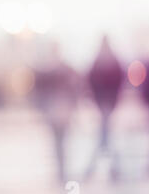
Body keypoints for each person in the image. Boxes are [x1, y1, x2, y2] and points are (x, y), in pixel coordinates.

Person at [34, 45, 79, 183]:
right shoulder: (61, 69)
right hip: (58, 110)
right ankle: (62, 170)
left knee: (59, 141)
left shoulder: (47, 70)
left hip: (57, 110)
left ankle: (61, 170)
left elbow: (39, 92)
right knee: (60, 142)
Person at [84, 36, 123, 181]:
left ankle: (92, 169)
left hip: (104, 102)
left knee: (104, 137)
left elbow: (91, 81)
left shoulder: (99, 61)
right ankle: (114, 168)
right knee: (106, 136)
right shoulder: (110, 60)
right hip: (106, 102)